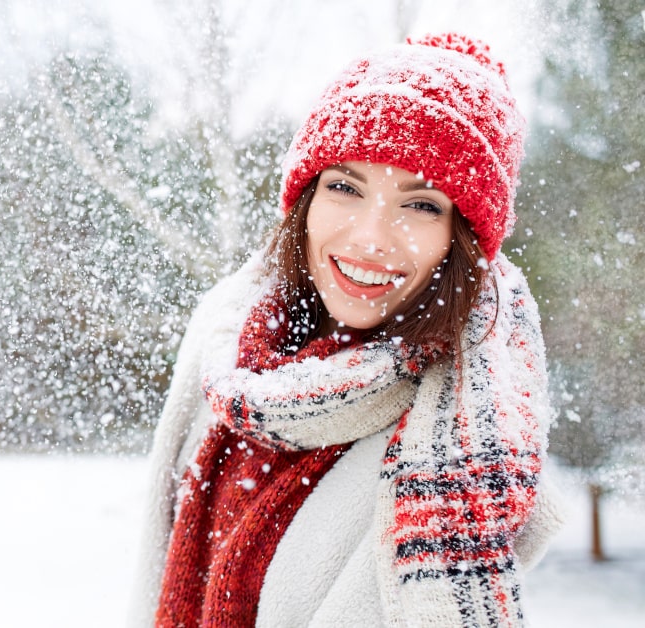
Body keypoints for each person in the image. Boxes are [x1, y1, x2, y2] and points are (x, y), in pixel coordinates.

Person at [130, 33, 564, 627]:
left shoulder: (467, 444)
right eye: (344, 187)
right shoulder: (225, 345)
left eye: (422, 205)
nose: (370, 238)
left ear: (462, 241)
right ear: (304, 200)